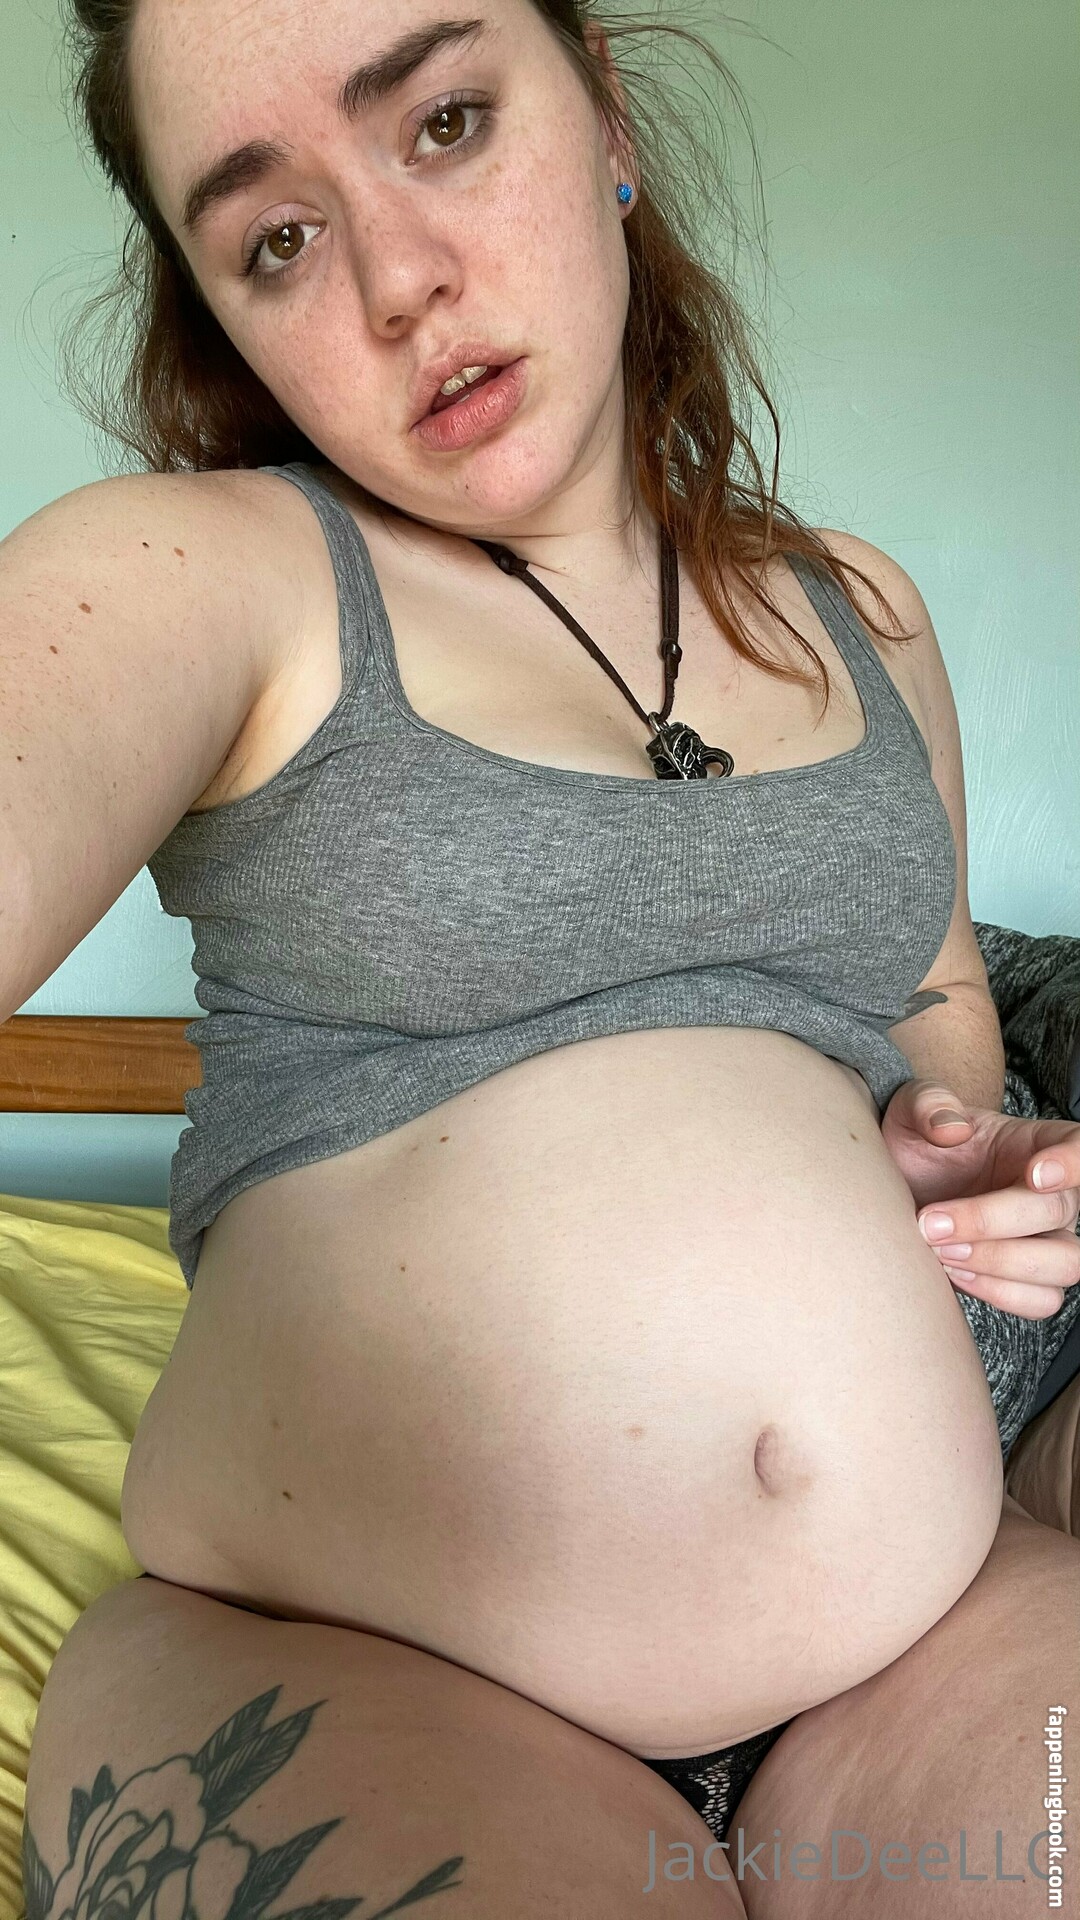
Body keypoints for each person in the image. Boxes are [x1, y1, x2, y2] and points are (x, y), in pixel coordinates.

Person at [8, 2, 1079, 1913]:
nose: (399, 282)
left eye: (442, 123)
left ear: (607, 120)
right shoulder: (211, 577)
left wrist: (973, 1152)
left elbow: (940, 1023)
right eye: (276, 238)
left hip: (945, 1592)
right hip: (363, 1662)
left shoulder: (866, 613)